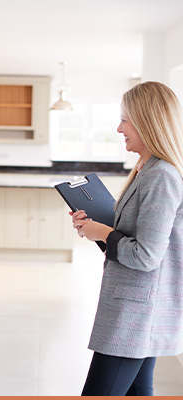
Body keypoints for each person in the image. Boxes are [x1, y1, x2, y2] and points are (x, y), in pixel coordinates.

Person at [71, 81, 183, 396]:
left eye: (125, 119)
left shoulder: (161, 175)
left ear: (149, 121)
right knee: (138, 391)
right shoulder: (147, 169)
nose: (119, 128)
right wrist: (95, 227)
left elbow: (146, 255)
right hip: (136, 309)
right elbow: (134, 239)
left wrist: (103, 232)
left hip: (135, 314)